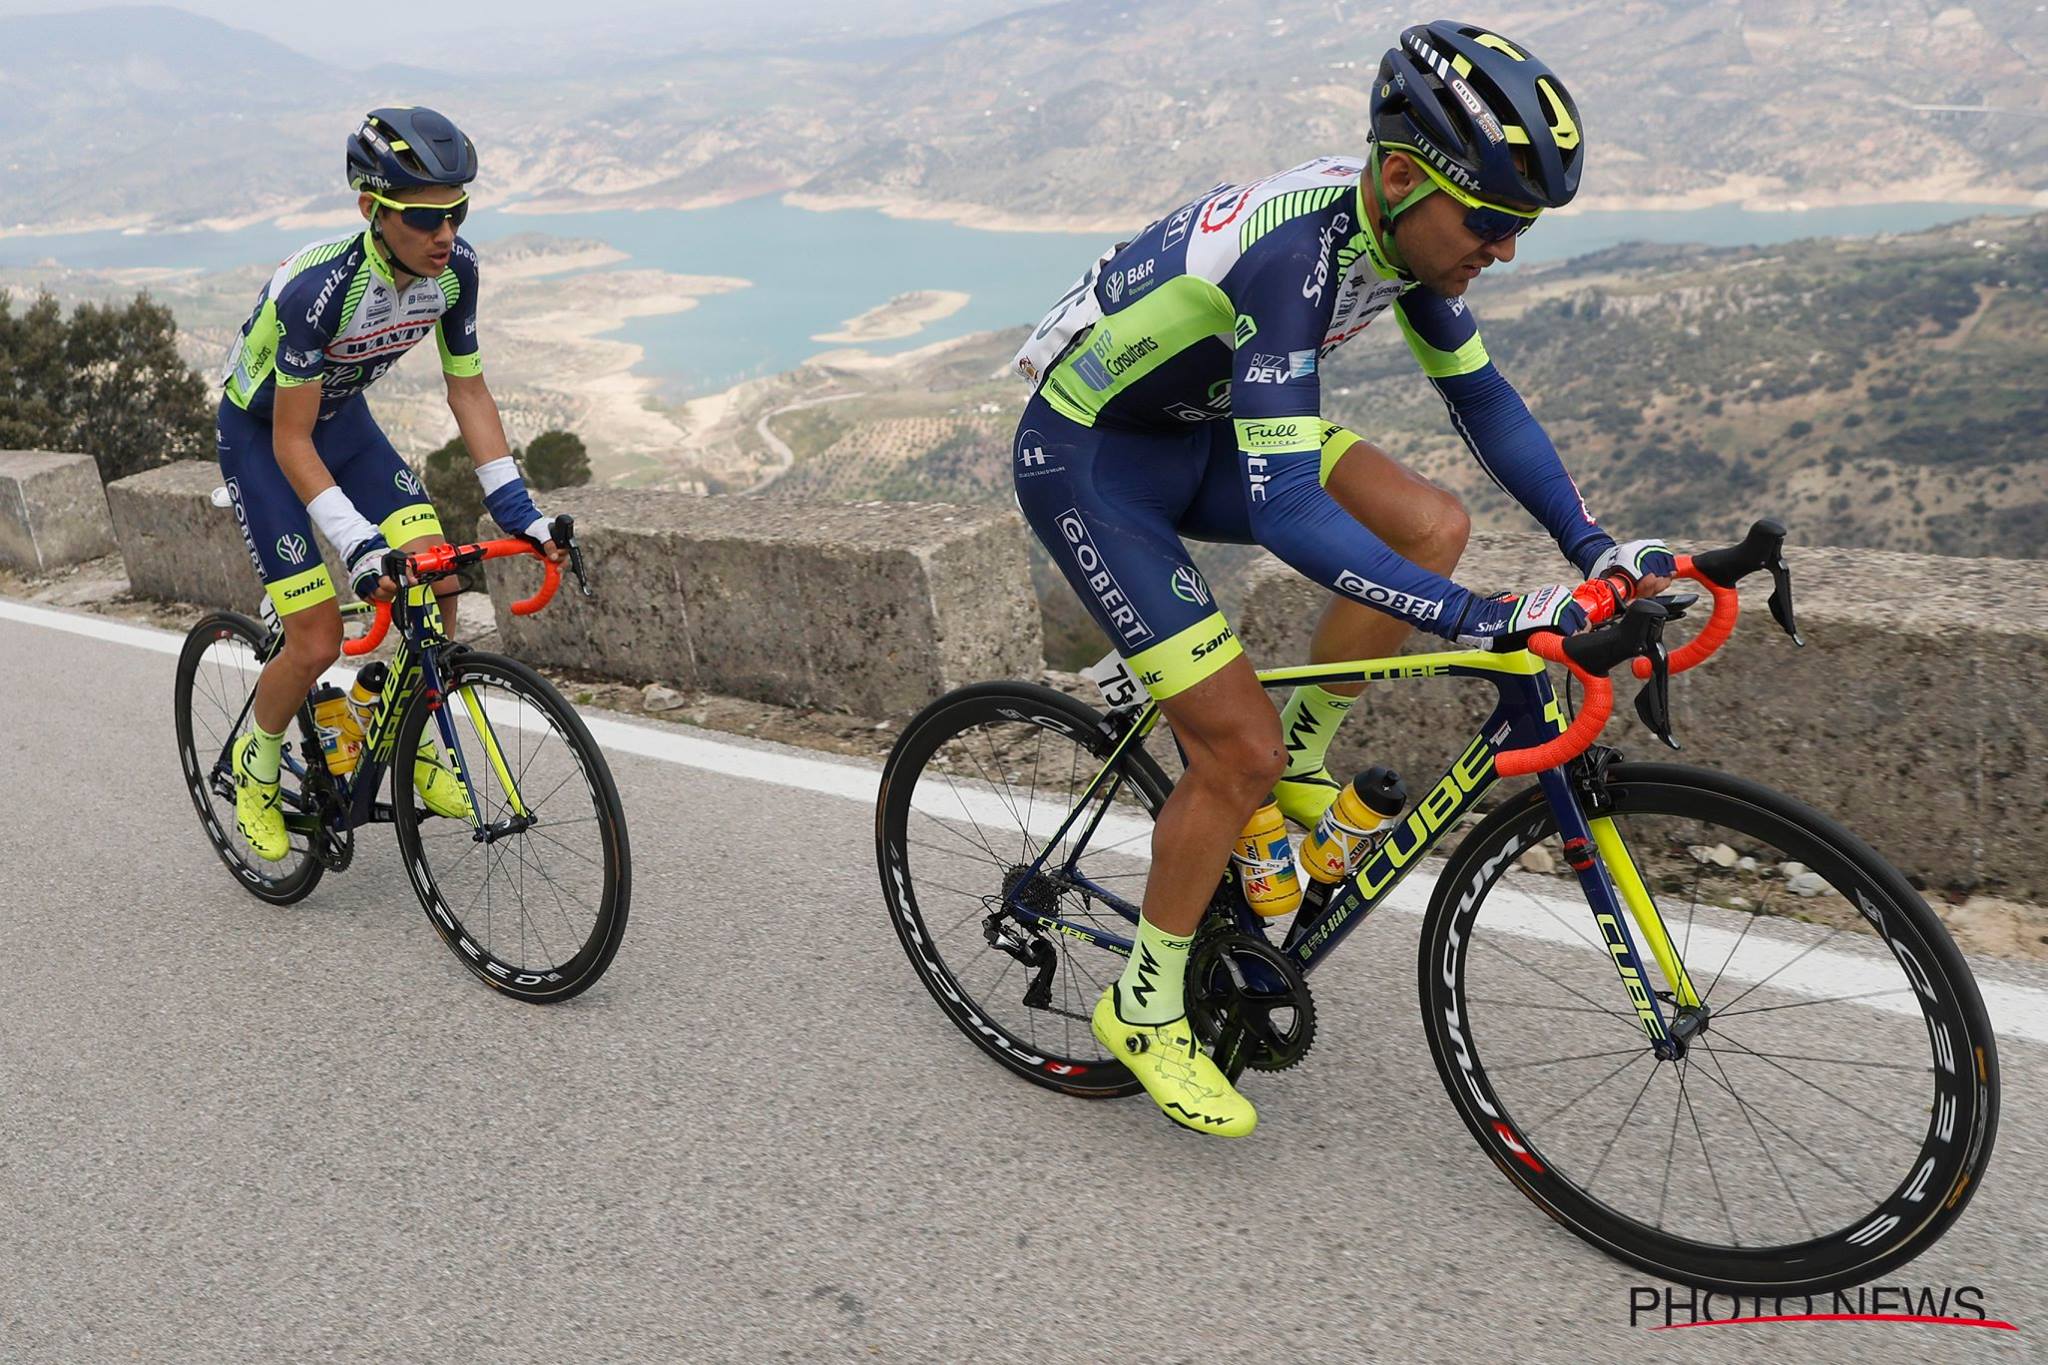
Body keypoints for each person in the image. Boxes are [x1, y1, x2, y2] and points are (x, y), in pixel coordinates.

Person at [1010, 21, 1675, 1136]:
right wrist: (1479, 617)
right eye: (1491, 223)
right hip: (1091, 461)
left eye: (1519, 228)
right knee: (1234, 746)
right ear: (1409, 176)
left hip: (1193, 431)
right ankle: (1145, 1006)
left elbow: (1483, 401)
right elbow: (1283, 508)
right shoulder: (1293, 255)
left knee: (1430, 522)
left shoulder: (1395, 232)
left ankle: (1298, 761)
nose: (1502, 251)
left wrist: (1592, 548)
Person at [216, 106, 561, 861]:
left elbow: (468, 391)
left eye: (457, 213)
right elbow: (289, 439)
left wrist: (518, 510)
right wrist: (360, 545)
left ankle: (396, 721)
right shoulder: (319, 290)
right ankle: (257, 765)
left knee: (437, 585)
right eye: (424, 218)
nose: (445, 235)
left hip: (343, 425)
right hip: (266, 437)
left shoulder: (454, 271)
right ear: (372, 208)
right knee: (315, 639)